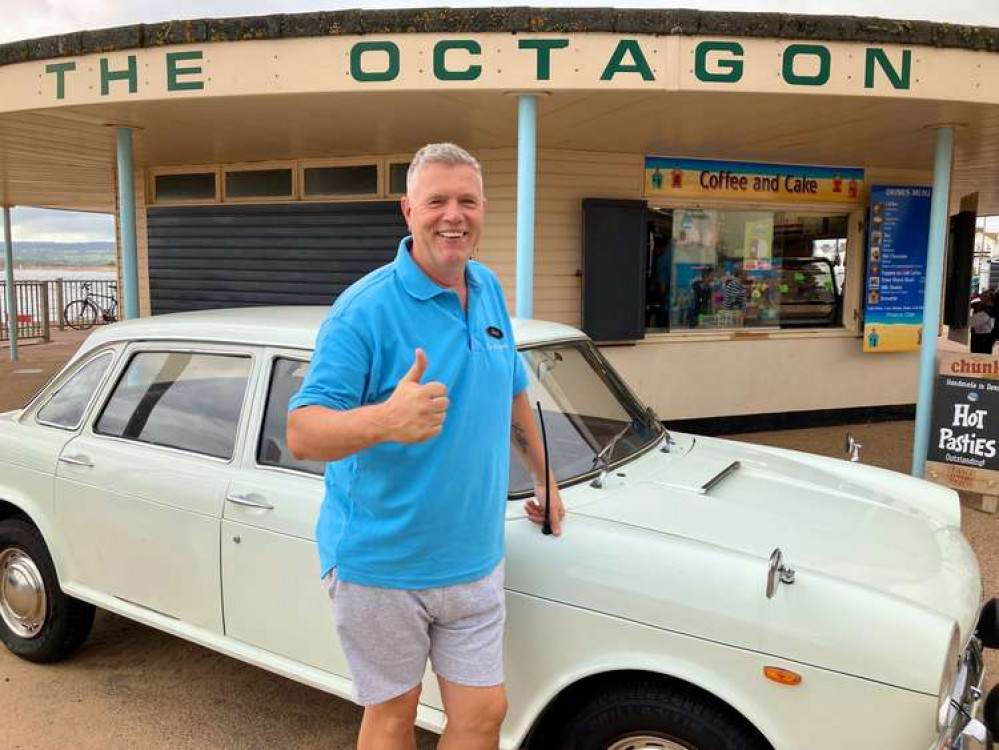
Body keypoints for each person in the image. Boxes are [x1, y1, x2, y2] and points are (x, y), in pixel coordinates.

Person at [286, 142, 565, 750]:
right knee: (393, 716)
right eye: (437, 200)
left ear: (484, 208)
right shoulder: (362, 312)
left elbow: (513, 391)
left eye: (467, 201)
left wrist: (545, 479)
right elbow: (303, 431)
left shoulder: (487, 288)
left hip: (474, 557)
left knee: (485, 712)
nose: (453, 215)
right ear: (407, 210)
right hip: (384, 565)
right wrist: (384, 420)